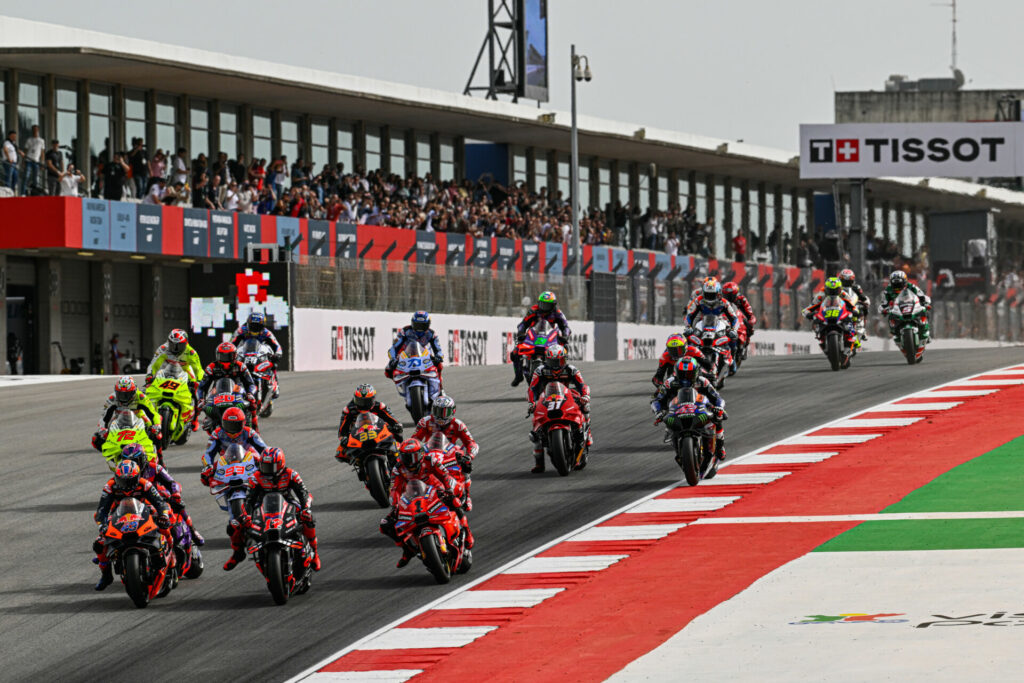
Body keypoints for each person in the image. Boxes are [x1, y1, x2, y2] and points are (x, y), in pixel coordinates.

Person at [379, 439, 470, 568]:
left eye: (414, 456)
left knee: (455, 500)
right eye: (406, 457)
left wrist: (448, 490)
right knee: (385, 525)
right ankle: (408, 550)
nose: (410, 461)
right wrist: (395, 505)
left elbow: (444, 474)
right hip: (412, 497)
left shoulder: (429, 460)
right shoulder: (398, 469)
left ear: (421, 454)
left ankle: (467, 533)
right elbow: (395, 488)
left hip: (436, 490)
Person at [234, 447, 320, 572]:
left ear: (280, 465)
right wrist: (246, 515)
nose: (266, 470)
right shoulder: (256, 477)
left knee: (309, 518)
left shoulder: (291, 474)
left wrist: (306, 509)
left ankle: (314, 553)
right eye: (264, 466)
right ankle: (237, 554)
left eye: (270, 467)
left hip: (288, 504)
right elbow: (249, 500)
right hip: (264, 507)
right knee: (235, 525)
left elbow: (304, 494)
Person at [91, 460, 172, 591]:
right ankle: (106, 575)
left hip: (144, 512)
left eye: (130, 481)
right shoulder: (110, 486)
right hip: (119, 515)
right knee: (99, 544)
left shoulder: (145, 484)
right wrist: (102, 525)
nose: (126, 485)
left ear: (137, 477)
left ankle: (170, 559)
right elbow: (102, 510)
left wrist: (164, 515)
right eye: (122, 480)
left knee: (165, 526)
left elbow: (160, 503)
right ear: (116, 477)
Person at [119, 443, 204, 546]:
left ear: (143, 459)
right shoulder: (122, 473)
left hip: (157, 498)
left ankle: (193, 531)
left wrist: (175, 493)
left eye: (136, 461)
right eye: (128, 461)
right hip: (133, 502)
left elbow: (172, 483)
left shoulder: (154, 468)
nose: (133, 465)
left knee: (177, 504)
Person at [526, 344, 592, 473]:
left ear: (565, 359)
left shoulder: (572, 369)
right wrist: (531, 402)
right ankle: (539, 463)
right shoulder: (540, 370)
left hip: (568, 395)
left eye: (559, 360)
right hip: (546, 398)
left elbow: (581, 385)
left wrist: (584, 396)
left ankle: (587, 437)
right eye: (552, 361)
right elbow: (532, 388)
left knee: (585, 407)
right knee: (535, 433)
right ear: (547, 359)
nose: (556, 364)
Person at [651, 357, 728, 459]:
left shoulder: (703, 381)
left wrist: (719, 407)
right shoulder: (670, 383)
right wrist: (658, 412)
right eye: (682, 374)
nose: (686, 377)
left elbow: (717, 397)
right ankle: (678, 450)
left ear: (696, 372)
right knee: (669, 427)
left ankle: (720, 446)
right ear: (677, 372)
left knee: (719, 416)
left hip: (700, 409)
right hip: (676, 411)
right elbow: (657, 400)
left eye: (689, 374)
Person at [510, 291, 572, 387]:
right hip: (534, 336)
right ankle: (518, 376)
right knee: (515, 352)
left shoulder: (558, 313)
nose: (544, 307)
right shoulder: (533, 310)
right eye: (542, 304)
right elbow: (523, 324)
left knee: (565, 348)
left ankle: (563, 374)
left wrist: (565, 336)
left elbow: (565, 326)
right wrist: (521, 333)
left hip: (551, 337)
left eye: (547, 305)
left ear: (553, 305)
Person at [146, 328, 204, 428]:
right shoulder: (163, 348)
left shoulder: (191, 352)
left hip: (184, 372)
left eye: (179, 345)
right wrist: (149, 376)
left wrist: (197, 381)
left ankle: (194, 420)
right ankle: (147, 417)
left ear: (186, 343)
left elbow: (198, 369)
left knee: (196, 393)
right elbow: (153, 365)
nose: (175, 349)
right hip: (165, 372)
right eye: (173, 345)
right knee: (146, 390)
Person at [684, 278, 742, 372]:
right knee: (687, 336)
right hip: (702, 320)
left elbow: (734, 318)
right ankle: (686, 360)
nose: (710, 297)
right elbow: (689, 315)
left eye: (712, 295)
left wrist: (733, 330)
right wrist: (688, 327)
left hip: (720, 320)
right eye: (707, 294)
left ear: (718, 293)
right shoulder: (698, 300)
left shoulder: (724, 302)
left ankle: (731, 358)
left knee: (733, 337)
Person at [335, 383, 404, 461]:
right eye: (360, 401)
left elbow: (392, 419)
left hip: (378, 431)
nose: (363, 404)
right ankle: (357, 462)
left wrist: (396, 426)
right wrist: (343, 438)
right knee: (340, 453)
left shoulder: (380, 406)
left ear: (373, 399)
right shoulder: (348, 410)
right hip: (357, 435)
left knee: (398, 434)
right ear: (355, 399)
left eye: (367, 401)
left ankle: (399, 455)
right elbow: (342, 430)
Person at [92, 376, 162, 452]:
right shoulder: (112, 398)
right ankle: (113, 454)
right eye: (120, 394)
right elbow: (104, 417)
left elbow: (154, 414)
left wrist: (156, 425)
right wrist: (102, 428)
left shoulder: (141, 397)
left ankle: (159, 459)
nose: (123, 398)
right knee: (97, 439)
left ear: (134, 392)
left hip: (139, 419)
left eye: (127, 395)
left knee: (156, 434)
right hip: (118, 420)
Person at [201, 406, 268, 481]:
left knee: (263, 464)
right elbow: (208, 453)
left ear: (243, 423)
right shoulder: (217, 433)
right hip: (227, 459)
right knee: (205, 477)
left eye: (236, 425)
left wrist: (265, 461)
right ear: (223, 423)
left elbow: (264, 448)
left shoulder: (249, 432)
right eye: (229, 425)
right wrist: (208, 466)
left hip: (249, 457)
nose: (232, 429)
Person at [411, 395, 480, 468]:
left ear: (452, 411)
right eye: (437, 411)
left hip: (449, 458)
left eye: (444, 412)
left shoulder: (458, 425)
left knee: (465, 466)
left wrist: (469, 456)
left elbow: (471, 443)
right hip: (428, 455)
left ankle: (466, 478)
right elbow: (414, 440)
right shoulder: (425, 421)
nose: (440, 416)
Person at [231, 311, 283, 397]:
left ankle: (274, 382)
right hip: (244, 352)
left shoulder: (267, 333)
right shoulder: (241, 330)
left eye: (258, 326)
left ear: (263, 326)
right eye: (253, 326)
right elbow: (231, 343)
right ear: (248, 324)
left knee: (273, 362)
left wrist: (277, 354)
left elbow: (277, 346)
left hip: (260, 354)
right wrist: (231, 353)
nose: (255, 328)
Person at [802, 277, 860, 350]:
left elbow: (852, 305)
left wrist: (855, 311)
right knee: (816, 320)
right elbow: (810, 307)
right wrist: (808, 313)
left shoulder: (844, 294)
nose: (834, 292)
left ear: (840, 289)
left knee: (853, 316)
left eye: (836, 290)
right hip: (826, 314)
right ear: (826, 289)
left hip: (840, 312)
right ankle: (822, 337)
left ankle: (854, 335)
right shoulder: (820, 296)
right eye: (831, 290)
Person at [386, 311, 444, 380]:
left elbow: (438, 349)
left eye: (423, 326)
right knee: (388, 370)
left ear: (428, 325)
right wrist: (393, 358)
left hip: (424, 354)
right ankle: (401, 383)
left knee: (439, 365)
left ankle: (440, 387)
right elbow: (394, 347)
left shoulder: (431, 334)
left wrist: (439, 356)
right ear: (412, 323)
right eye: (417, 325)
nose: (420, 329)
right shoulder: (405, 331)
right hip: (405, 354)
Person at [878, 270, 932, 343]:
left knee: (924, 311)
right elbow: (884, 303)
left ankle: (926, 331)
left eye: (899, 284)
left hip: (911, 306)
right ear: (891, 283)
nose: (897, 287)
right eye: (895, 284)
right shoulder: (888, 290)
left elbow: (921, 295)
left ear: (905, 282)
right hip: (897, 309)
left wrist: (924, 301)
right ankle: (894, 332)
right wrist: (884, 309)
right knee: (890, 316)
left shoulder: (911, 286)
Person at [196, 342, 257, 406]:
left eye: (229, 356)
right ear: (217, 355)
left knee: (252, 402)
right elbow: (201, 387)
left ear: (235, 355)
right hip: (217, 394)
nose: (225, 359)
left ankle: (254, 416)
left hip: (237, 392)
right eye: (222, 356)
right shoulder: (211, 367)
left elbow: (251, 383)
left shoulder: (241, 366)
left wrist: (250, 393)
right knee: (201, 406)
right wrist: (201, 399)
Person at [838, 268, 871, 339]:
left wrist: (865, 301)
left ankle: (861, 328)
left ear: (852, 281)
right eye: (844, 281)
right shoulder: (837, 287)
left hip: (852, 305)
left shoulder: (856, 287)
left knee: (863, 308)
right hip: (839, 306)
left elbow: (862, 297)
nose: (846, 283)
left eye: (848, 281)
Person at [721, 282, 756, 347]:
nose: (727, 297)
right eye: (725, 295)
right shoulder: (721, 300)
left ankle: (746, 340)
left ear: (734, 294)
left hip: (740, 316)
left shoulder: (741, 299)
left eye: (729, 295)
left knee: (749, 324)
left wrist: (750, 320)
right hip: (725, 317)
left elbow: (749, 312)